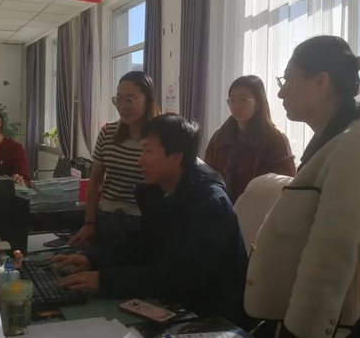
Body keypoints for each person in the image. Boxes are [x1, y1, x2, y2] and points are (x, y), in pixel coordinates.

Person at [244, 36, 360, 338]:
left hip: (345, 328)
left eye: (287, 80)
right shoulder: (333, 142)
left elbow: (329, 265)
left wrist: (297, 333)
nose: (280, 92)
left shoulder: (359, 147)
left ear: (321, 81)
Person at [50, 115, 249, 328]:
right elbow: (142, 244)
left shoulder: (211, 204)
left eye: (148, 151)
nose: (140, 161)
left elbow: (181, 277)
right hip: (171, 301)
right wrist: (91, 259)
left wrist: (104, 280)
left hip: (211, 317)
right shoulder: (157, 190)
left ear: (176, 157)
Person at [68, 71, 161, 247]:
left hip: (144, 222)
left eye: (130, 100)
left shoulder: (159, 138)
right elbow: (95, 181)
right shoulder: (108, 132)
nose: (122, 106)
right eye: (118, 99)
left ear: (148, 99)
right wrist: (89, 222)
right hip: (108, 218)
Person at [205, 75, 296, 201]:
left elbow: (284, 184)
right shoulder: (220, 136)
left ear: (258, 103)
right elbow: (207, 175)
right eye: (232, 100)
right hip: (220, 206)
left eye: (243, 99)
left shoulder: (275, 139)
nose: (237, 105)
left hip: (258, 208)